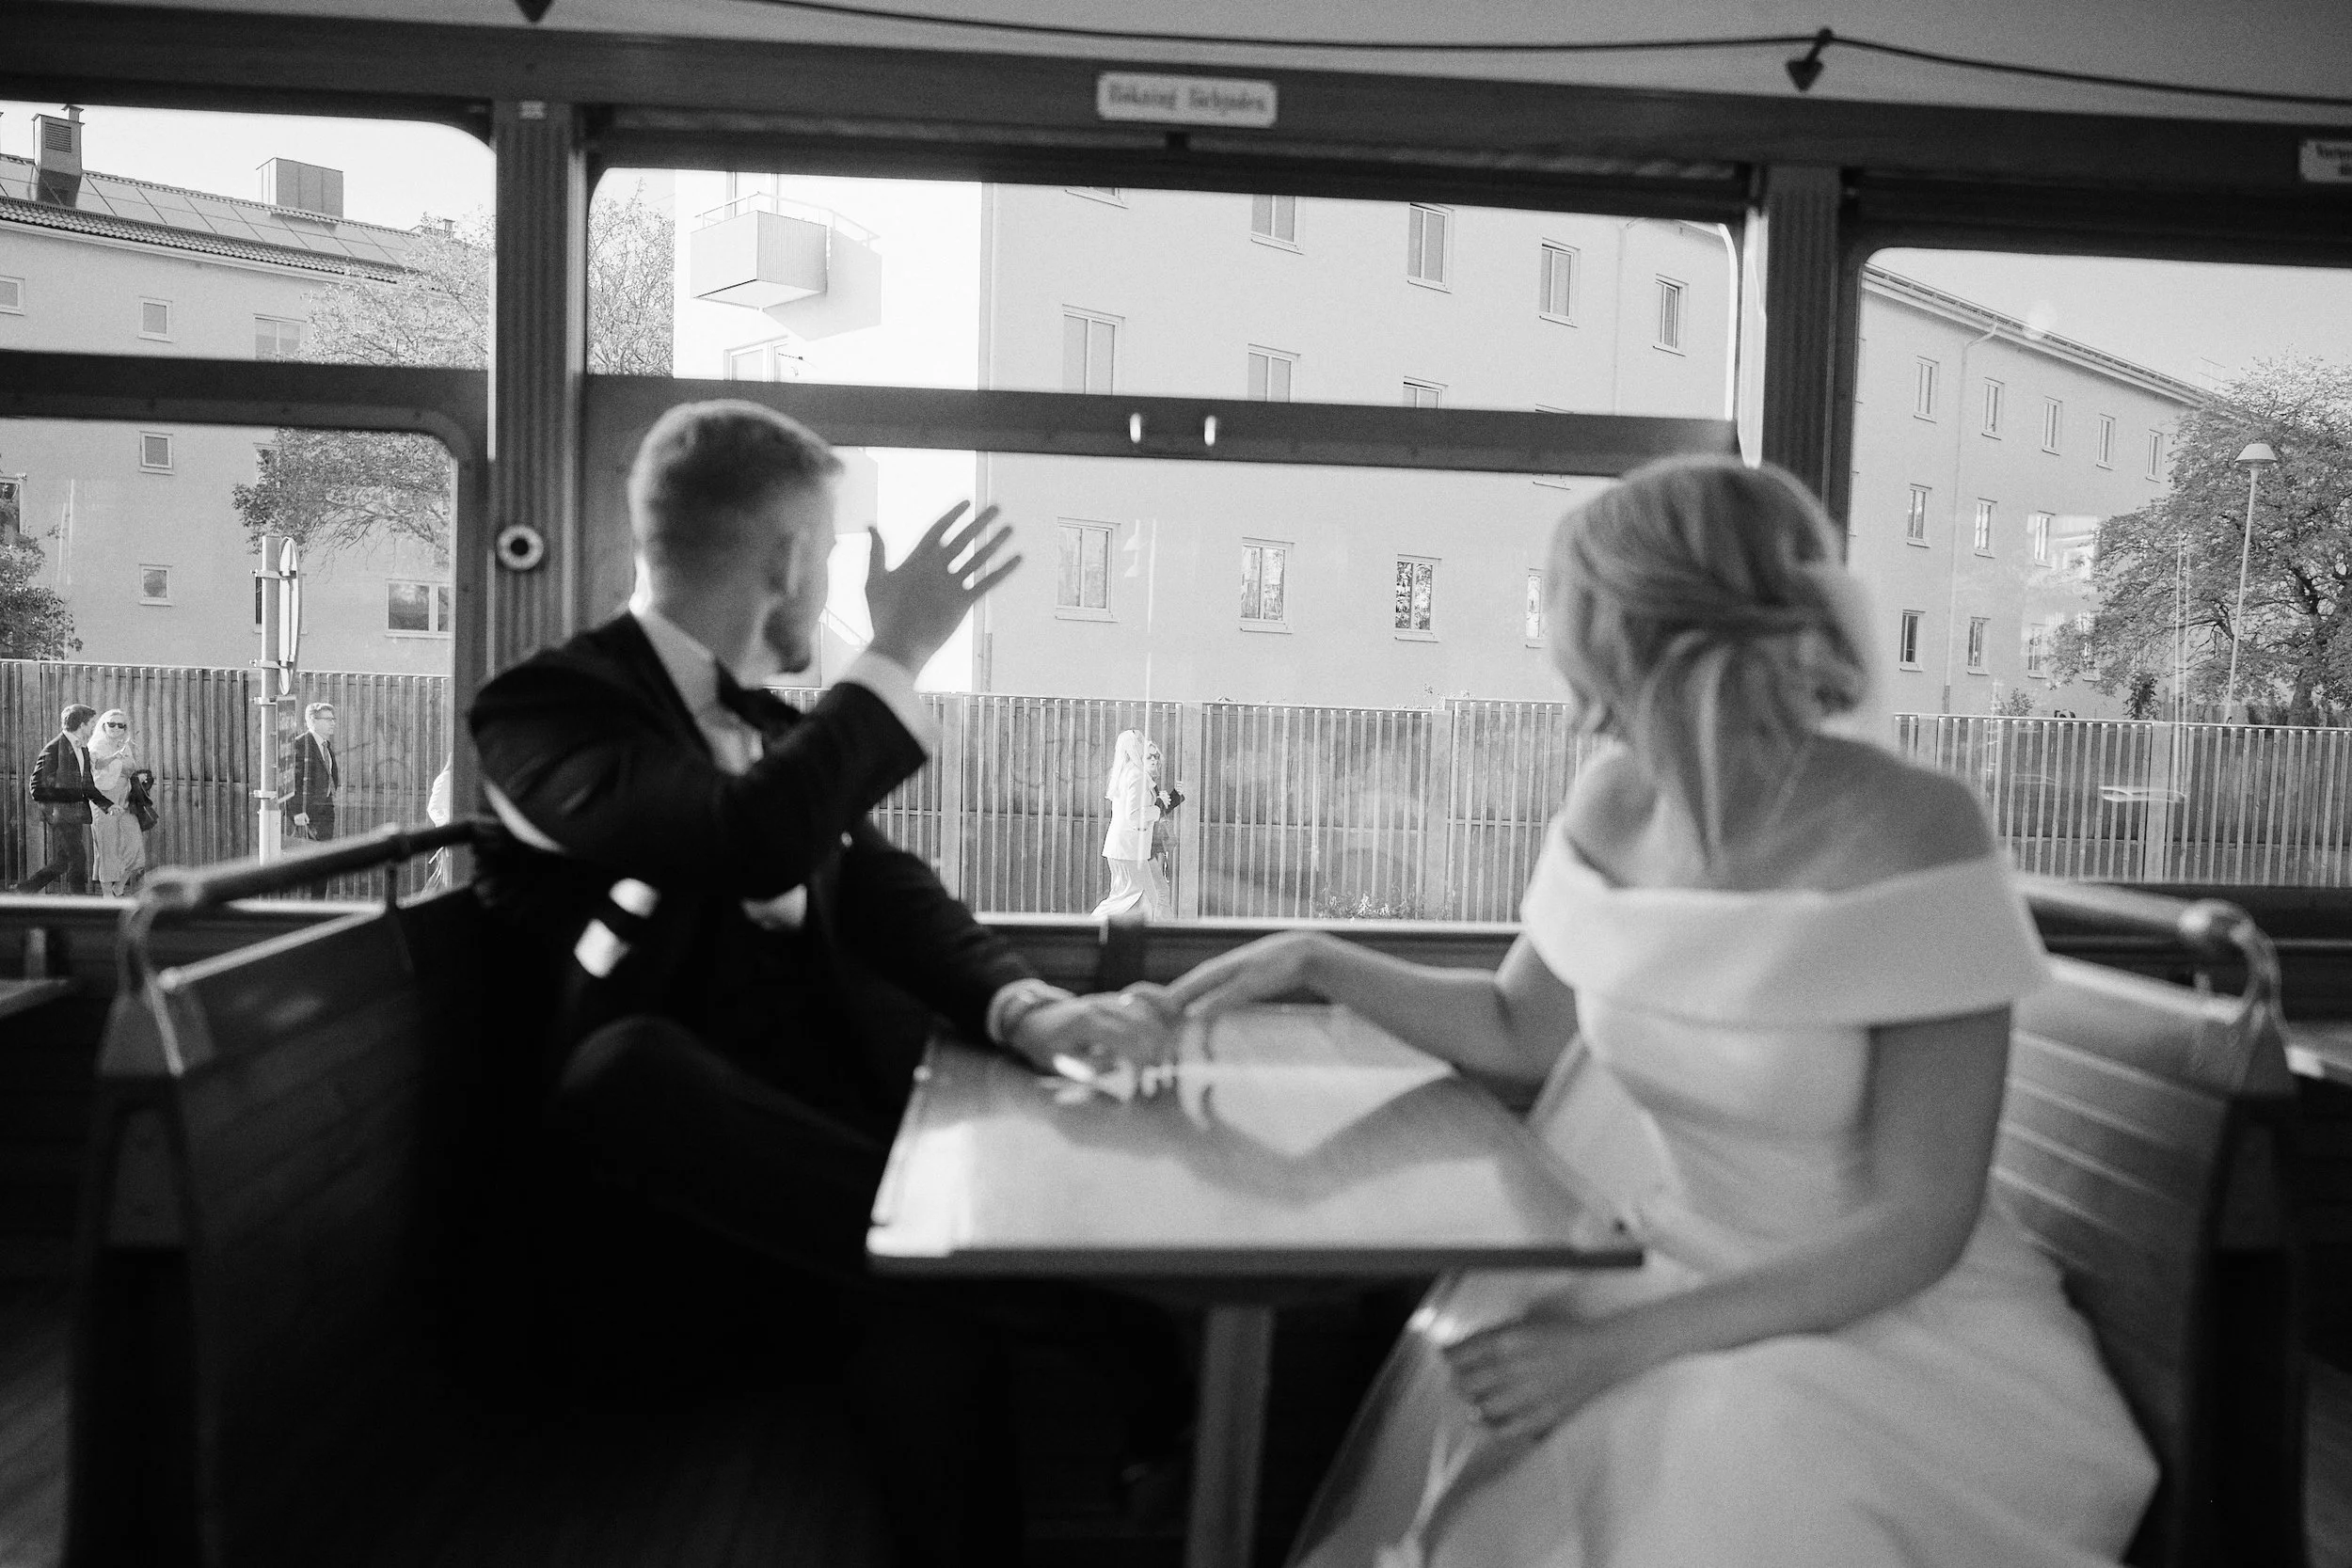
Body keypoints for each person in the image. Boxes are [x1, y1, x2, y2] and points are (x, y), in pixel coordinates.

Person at [1155, 456, 2156, 1568]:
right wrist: (1314, 958)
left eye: (1569, 609)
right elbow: (1516, 1029)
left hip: (1874, 1316)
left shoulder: (1918, 825)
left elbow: (1917, 1223)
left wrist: (1621, 1347)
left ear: (1644, 628)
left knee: (1728, 1448)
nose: (1556, 640)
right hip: (1665, 1259)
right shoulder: (1613, 798)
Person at [468, 400, 1182, 1566]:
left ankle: (1016, 1285)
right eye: (834, 550)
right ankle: (1097, 1314)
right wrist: (896, 651)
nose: (841, 584)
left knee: (928, 1324)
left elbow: (888, 893)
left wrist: (1032, 1009)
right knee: (622, 1067)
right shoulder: (542, 713)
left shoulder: (762, 728)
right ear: (792, 557)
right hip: (652, 1240)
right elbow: (746, 838)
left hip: (818, 1215)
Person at [17, 704, 110, 895]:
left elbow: (87, 785)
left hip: (74, 815)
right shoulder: (53, 748)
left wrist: (107, 805)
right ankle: (78, 903)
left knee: (63, 860)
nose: (93, 728)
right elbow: (36, 788)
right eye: (91, 723)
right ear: (82, 725)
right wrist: (66, 798)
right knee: (78, 858)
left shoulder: (82, 749)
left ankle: (26, 889)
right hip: (60, 815)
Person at [1090, 729, 1163, 919]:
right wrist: (1157, 811)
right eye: (1139, 740)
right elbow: (1134, 815)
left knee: (1138, 897)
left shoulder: (1127, 772)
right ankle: (1090, 927)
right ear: (1132, 747)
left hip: (1125, 849)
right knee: (1126, 899)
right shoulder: (1136, 775)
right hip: (1128, 850)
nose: (1144, 742)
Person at [87, 708, 150, 896]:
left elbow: (130, 769)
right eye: (111, 724)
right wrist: (116, 757)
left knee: (135, 845)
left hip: (125, 800)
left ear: (125, 729)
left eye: (120, 725)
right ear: (103, 725)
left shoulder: (125, 745)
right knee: (107, 847)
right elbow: (96, 766)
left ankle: (119, 886)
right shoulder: (96, 744)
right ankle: (108, 894)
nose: (115, 728)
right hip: (104, 800)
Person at [284, 701, 339, 842]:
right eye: (328, 719)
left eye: (333, 719)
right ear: (313, 721)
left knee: (324, 853)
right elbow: (291, 781)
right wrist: (296, 812)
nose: (333, 723)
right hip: (307, 813)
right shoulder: (301, 745)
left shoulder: (325, 745)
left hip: (325, 810)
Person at [1146, 739, 1185, 903]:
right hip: (1142, 849)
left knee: (1155, 893)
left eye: (1155, 756)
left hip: (1146, 849)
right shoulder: (1142, 783)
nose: (1154, 760)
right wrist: (1160, 802)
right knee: (1161, 892)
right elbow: (1144, 813)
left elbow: (1157, 812)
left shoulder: (1148, 783)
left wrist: (1174, 796)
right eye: (1149, 757)